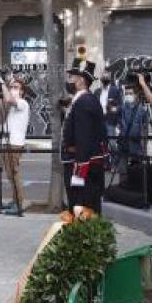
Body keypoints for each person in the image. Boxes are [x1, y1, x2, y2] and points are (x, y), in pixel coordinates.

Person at [61, 57, 109, 215]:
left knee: (81, 204)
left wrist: (79, 170)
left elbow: (84, 136)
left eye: (72, 77)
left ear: (81, 80)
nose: (69, 80)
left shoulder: (84, 102)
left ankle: (83, 230)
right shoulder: (85, 100)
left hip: (82, 164)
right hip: (83, 162)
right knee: (84, 205)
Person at [1, 78, 30, 216]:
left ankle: (19, 203)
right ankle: (14, 200)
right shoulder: (11, 106)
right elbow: (1, 120)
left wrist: (2, 84)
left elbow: (9, 99)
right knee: (9, 174)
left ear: (22, 91)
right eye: (11, 87)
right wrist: (4, 105)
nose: (13, 89)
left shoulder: (23, 103)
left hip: (15, 143)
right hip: (6, 142)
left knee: (14, 173)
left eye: (16, 87)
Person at [98, 72, 122, 165]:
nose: (105, 78)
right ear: (101, 79)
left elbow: (121, 105)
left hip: (110, 120)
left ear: (109, 78)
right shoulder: (97, 91)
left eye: (106, 76)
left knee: (112, 142)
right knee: (103, 143)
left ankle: (116, 162)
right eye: (103, 76)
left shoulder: (115, 90)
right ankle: (106, 163)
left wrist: (115, 109)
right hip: (100, 120)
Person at [117, 84, 147, 161]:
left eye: (130, 93)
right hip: (123, 145)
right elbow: (119, 125)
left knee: (135, 166)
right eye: (126, 94)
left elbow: (144, 130)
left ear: (136, 95)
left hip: (136, 146)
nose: (128, 96)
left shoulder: (141, 110)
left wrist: (144, 149)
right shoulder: (122, 109)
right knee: (122, 167)